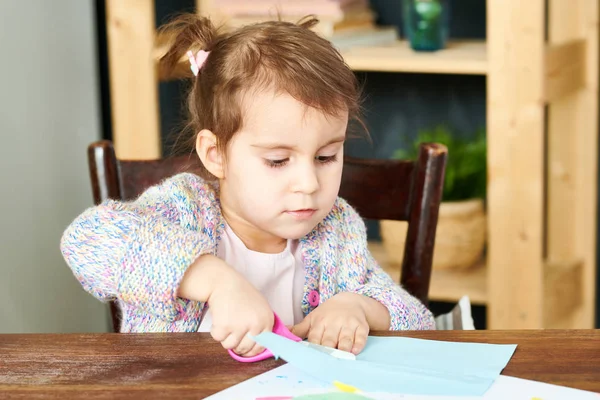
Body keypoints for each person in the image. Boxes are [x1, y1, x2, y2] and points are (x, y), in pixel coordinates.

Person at [60, 13, 435, 359]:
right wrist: (216, 282)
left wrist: (358, 306)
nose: (308, 184)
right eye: (277, 161)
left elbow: (418, 320)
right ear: (216, 153)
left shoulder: (336, 231)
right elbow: (87, 241)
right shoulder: (185, 210)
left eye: (325, 157)